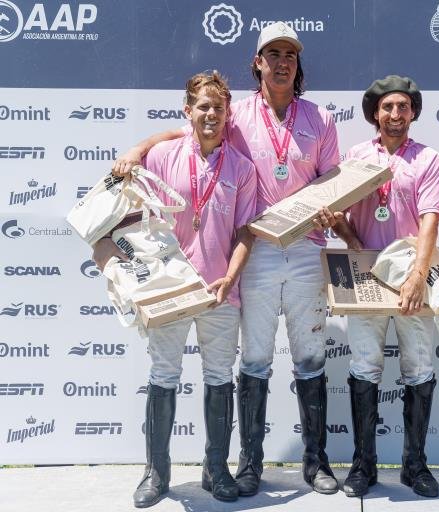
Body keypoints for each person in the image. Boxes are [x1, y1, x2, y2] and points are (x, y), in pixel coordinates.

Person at [112, 22, 341, 496]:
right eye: (272, 54)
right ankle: (248, 466)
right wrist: (136, 148)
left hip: (303, 251)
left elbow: (334, 180)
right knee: (253, 359)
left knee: (311, 358)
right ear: (258, 62)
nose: (282, 62)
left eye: (290, 55)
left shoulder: (321, 119)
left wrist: (332, 208)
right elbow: (189, 127)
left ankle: (315, 463)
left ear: (297, 64)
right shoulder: (235, 116)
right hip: (254, 255)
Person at [93, 71, 258, 507]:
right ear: (188, 111)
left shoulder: (241, 168)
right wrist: (133, 151)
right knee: (164, 376)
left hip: (219, 291)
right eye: (203, 106)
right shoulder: (164, 155)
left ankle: (216, 468)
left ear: (227, 114)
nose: (211, 114)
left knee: (220, 378)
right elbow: (125, 210)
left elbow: (245, 232)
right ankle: (156, 473)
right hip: (168, 289)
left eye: (218, 108)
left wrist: (232, 276)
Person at [327, 76, 439, 498]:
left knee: (419, 369)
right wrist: (349, 238)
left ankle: (415, 465)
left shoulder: (428, 159)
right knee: (364, 367)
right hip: (365, 276)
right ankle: (364, 465)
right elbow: (337, 211)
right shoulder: (356, 156)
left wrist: (418, 274)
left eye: (403, 107)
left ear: (413, 111)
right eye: (387, 107)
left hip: (411, 279)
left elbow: (431, 218)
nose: (395, 115)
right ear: (375, 113)